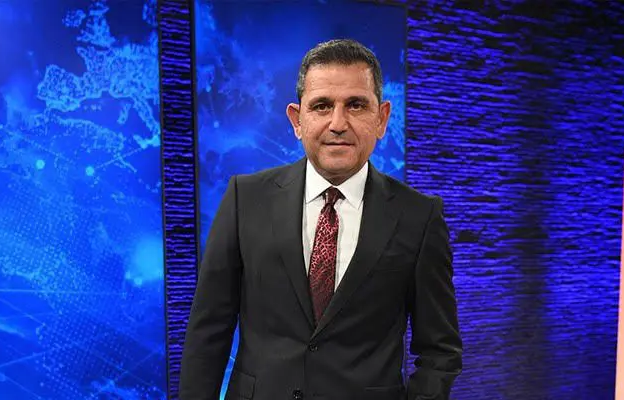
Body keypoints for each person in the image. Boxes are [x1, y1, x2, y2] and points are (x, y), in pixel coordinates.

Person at [179, 39, 462, 400]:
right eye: (322, 106)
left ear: (382, 118)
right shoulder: (244, 199)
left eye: (356, 105)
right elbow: (208, 333)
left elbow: (440, 351)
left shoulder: (419, 217)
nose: (338, 123)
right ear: (297, 120)